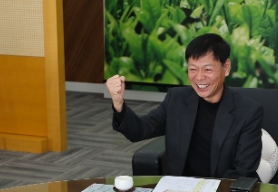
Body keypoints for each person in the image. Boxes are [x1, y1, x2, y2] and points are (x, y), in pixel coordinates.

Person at [109, 33, 264, 179]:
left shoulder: (248, 111)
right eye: (193, 69)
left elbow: (243, 170)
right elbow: (139, 130)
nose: (199, 77)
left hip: (222, 191)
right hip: (179, 189)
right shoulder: (177, 99)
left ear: (226, 67)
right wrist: (118, 103)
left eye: (208, 69)